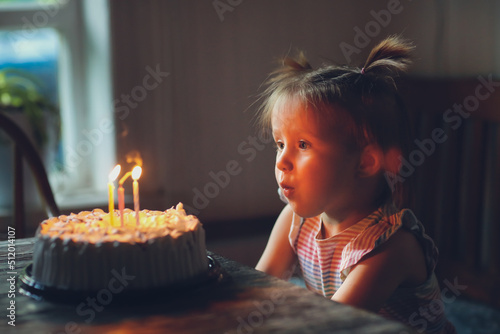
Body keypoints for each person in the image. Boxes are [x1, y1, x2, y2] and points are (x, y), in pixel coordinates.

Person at [255, 36, 456, 334]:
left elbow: (330, 326)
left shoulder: (390, 247)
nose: (282, 161)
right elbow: (257, 292)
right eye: (279, 144)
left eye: (302, 145)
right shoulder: (296, 221)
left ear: (365, 163)